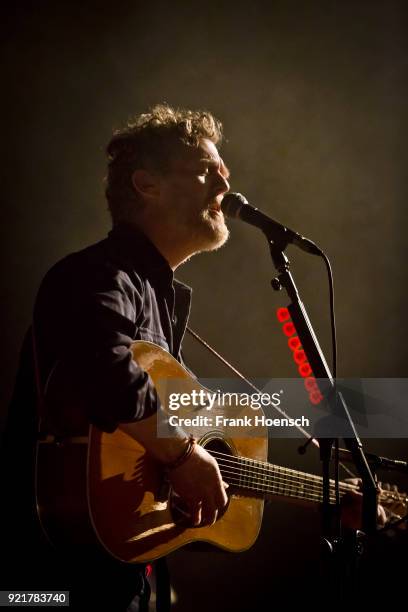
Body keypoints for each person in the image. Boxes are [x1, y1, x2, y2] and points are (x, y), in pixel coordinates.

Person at [1, 103, 231, 611]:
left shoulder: (154, 297)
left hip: (115, 579)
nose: (225, 187)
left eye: (224, 172)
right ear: (146, 185)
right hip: (41, 585)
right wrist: (184, 454)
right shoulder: (95, 275)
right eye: (206, 170)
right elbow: (103, 369)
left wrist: (331, 496)